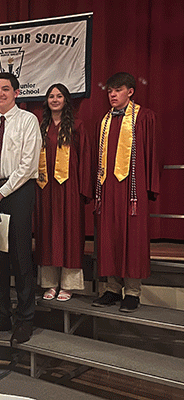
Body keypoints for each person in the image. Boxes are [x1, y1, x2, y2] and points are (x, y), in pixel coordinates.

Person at [0, 72, 41, 345]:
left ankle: (25, 319)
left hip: (17, 192)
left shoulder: (28, 121)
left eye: (5, 89)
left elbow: (27, 164)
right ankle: (2, 315)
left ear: (17, 92)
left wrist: (1, 191)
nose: (0, 94)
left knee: (20, 256)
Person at [92, 72, 160, 312]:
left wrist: (149, 186)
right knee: (110, 236)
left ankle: (132, 292)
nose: (112, 94)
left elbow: (151, 153)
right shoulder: (105, 120)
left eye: (118, 90)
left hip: (132, 190)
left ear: (130, 91)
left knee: (132, 237)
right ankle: (111, 289)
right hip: (109, 189)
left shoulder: (143, 117)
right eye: (110, 90)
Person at [35, 84, 92, 302]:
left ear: (66, 100)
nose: (55, 99)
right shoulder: (41, 126)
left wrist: (83, 189)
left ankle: (68, 284)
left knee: (69, 234)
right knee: (47, 232)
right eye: (51, 96)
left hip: (69, 188)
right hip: (45, 187)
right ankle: (49, 283)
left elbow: (85, 157)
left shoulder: (77, 125)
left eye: (59, 96)